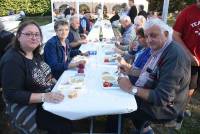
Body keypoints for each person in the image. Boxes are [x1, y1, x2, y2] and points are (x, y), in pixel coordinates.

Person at [118, 18, 191, 133]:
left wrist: (131, 88)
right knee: (119, 91)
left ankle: (140, 129)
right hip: (155, 94)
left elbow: (162, 98)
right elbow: (148, 73)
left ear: (166, 34)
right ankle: (143, 128)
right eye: (146, 36)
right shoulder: (161, 49)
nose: (149, 40)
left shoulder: (174, 56)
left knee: (119, 104)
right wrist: (130, 70)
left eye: (153, 35)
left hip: (166, 109)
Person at [0, 20, 72, 134]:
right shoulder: (12, 60)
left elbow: (46, 74)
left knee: (68, 112)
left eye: (37, 34)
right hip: (28, 105)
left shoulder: (34, 53)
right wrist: (45, 96)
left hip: (45, 93)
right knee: (62, 124)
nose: (33, 37)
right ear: (18, 36)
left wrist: (58, 83)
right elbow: (12, 94)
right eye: (28, 34)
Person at [173, 0, 200, 97]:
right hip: (188, 59)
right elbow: (175, 35)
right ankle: (178, 108)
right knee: (187, 88)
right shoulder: (187, 12)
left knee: (192, 87)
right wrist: (189, 55)